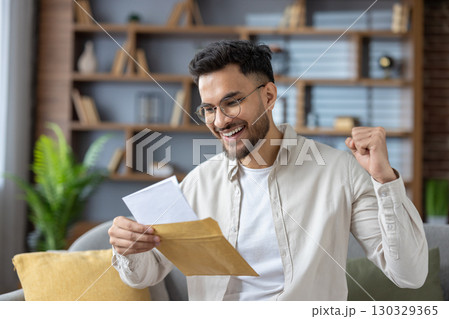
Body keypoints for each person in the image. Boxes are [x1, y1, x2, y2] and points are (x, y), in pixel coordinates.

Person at [108, 40, 428, 300]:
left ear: (269, 96)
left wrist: (385, 180)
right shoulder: (199, 183)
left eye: (231, 102)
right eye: (209, 109)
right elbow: (146, 274)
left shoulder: (339, 172)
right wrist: (128, 248)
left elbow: (410, 275)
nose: (219, 122)